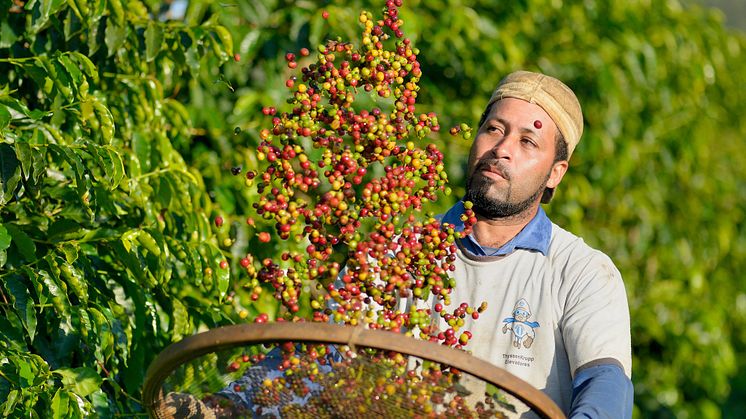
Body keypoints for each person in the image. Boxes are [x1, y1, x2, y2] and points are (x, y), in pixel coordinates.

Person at [436, 70, 633, 418]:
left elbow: (606, 390)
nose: (502, 149)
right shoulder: (401, 252)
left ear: (555, 173)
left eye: (528, 142)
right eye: (494, 129)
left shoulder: (581, 273)